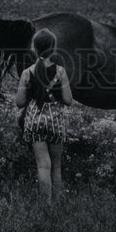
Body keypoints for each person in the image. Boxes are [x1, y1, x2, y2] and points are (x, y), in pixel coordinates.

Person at [15, 28, 73, 203]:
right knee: (56, 166)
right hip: (55, 121)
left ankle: (45, 205)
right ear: (54, 48)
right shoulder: (61, 71)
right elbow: (68, 100)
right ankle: (58, 202)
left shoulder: (27, 72)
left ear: (34, 48)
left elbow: (19, 102)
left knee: (42, 165)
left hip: (34, 121)